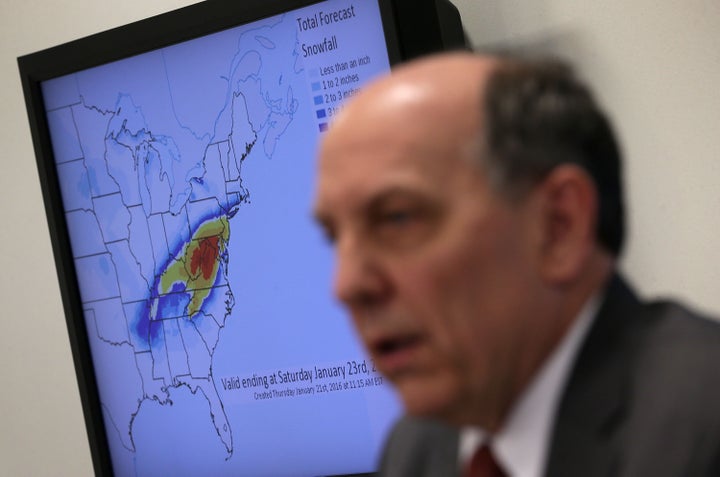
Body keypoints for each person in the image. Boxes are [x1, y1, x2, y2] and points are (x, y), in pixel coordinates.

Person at [312, 52, 720, 477]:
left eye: (398, 218)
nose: (346, 285)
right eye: (334, 237)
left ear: (558, 227)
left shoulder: (702, 427)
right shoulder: (417, 448)